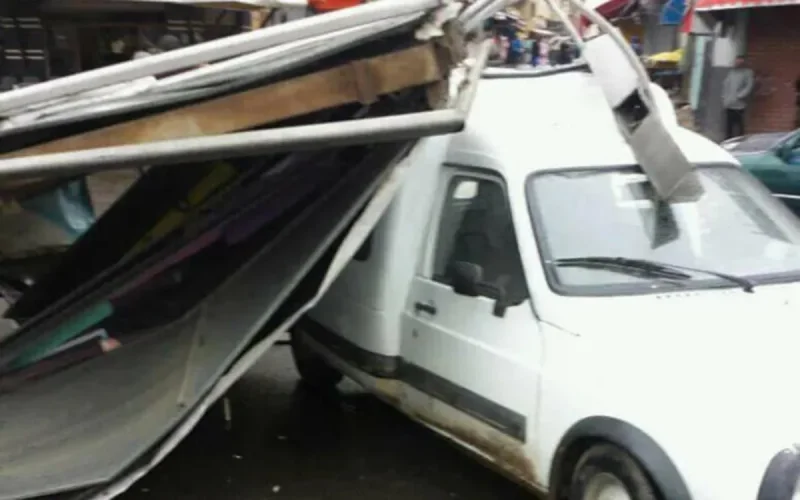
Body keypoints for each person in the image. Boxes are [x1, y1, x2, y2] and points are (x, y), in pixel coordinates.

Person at [722, 55, 755, 139]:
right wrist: (724, 98)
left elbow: (749, 86)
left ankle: (740, 140)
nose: (737, 63)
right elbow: (725, 85)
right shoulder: (731, 72)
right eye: (736, 61)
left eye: (740, 61)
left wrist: (740, 96)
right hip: (729, 103)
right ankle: (728, 140)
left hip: (739, 104)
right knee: (728, 125)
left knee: (739, 124)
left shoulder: (747, 72)